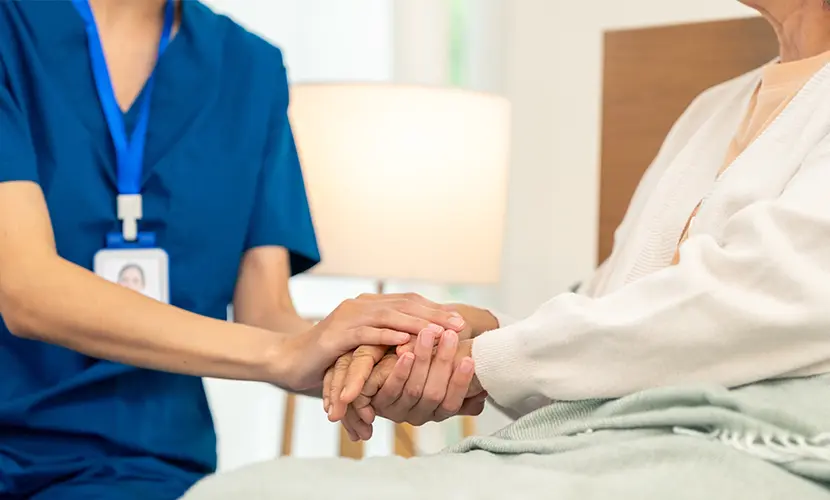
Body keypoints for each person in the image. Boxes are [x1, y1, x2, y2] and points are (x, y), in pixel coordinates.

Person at [182, 0, 830, 498]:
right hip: (609, 441)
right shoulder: (711, 110)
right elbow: (617, 318)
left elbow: (759, 301)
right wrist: (469, 335)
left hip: (758, 446)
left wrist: (484, 357)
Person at [0, 1, 470, 499]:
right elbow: (26, 289)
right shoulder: (12, 30)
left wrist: (375, 361)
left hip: (142, 472)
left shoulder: (249, 67)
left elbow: (266, 314)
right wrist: (284, 354)